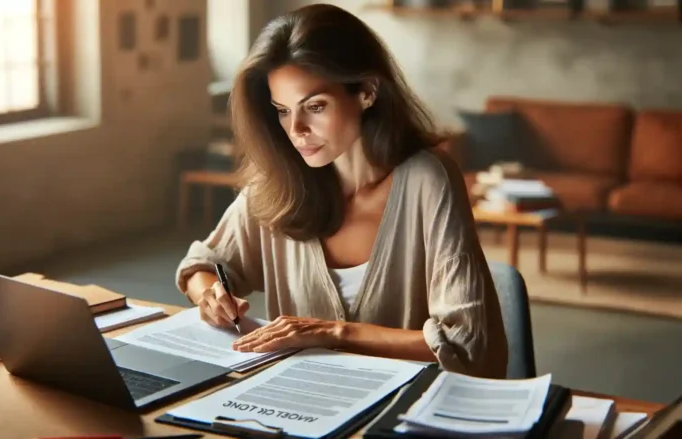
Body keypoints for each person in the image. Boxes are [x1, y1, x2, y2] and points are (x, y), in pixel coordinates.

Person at [176, 4, 508, 378]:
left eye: (315, 106)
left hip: (399, 411)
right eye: (283, 111)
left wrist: (333, 333)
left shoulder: (427, 180)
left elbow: (469, 345)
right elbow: (202, 265)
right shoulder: (277, 183)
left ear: (367, 91)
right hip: (300, 404)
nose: (296, 129)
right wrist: (210, 295)